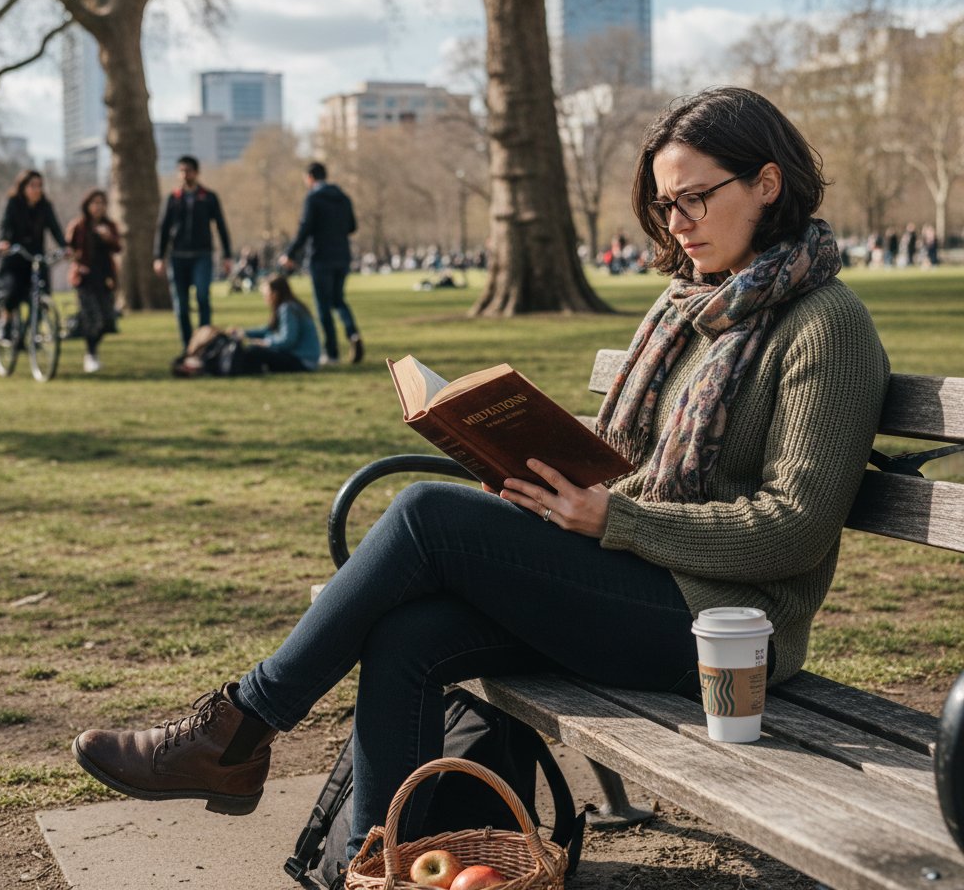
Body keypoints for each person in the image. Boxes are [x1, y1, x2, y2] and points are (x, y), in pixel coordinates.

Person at [72, 87, 889, 865]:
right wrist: (533, 466)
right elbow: (634, 461)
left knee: (427, 512)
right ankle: (381, 864)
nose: (677, 226)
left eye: (694, 199)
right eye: (665, 206)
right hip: (636, 581)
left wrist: (615, 521)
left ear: (768, 182)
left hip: (726, 637)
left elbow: (796, 525)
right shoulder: (687, 307)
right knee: (409, 636)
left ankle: (237, 728)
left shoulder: (828, 326)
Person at [279, 162, 363, 366]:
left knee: (323, 307)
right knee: (338, 300)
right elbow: (352, 226)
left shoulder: (313, 198)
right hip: (342, 256)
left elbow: (305, 228)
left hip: (320, 257)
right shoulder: (343, 198)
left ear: (310, 177)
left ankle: (332, 353)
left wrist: (290, 253)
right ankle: (352, 333)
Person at [154, 155, 232, 347]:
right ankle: (188, 346)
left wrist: (227, 254)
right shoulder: (172, 199)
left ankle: (204, 343)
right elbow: (162, 228)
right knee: (181, 305)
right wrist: (158, 256)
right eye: (181, 171)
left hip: (202, 255)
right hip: (178, 256)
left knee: (202, 297)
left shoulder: (208, 197)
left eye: (187, 171)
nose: (184, 175)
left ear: (196, 173)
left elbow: (221, 225)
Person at [0, 170, 67, 340]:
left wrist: (65, 247)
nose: (37, 189)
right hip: (14, 257)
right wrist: (3, 242)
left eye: (40, 186)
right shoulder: (12, 203)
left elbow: (55, 228)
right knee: (12, 292)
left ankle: (32, 331)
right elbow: (4, 226)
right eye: (32, 186)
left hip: (37, 257)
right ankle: (6, 321)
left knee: (43, 294)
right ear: (23, 187)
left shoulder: (45, 206)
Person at [65, 189, 122, 374]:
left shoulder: (110, 226)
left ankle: (79, 329)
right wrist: (77, 263)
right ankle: (91, 354)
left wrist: (108, 237)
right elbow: (68, 249)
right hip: (84, 279)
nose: (98, 207)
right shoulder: (79, 226)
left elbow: (118, 247)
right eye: (95, 203)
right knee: (93, 318)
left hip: (105, 278)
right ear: (87, 205)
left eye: (102, 203)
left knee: (107, 320)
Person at [229, 273, 321, 374]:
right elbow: (269, 330)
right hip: (302, 359)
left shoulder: (287, 308)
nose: (264, 297)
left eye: (266, 293)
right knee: (254, 350)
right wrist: (244, 332)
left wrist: (266, 343)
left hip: (302, 361)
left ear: (275, 294)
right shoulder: (289, 306)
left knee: (254, 351)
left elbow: (288, 340)